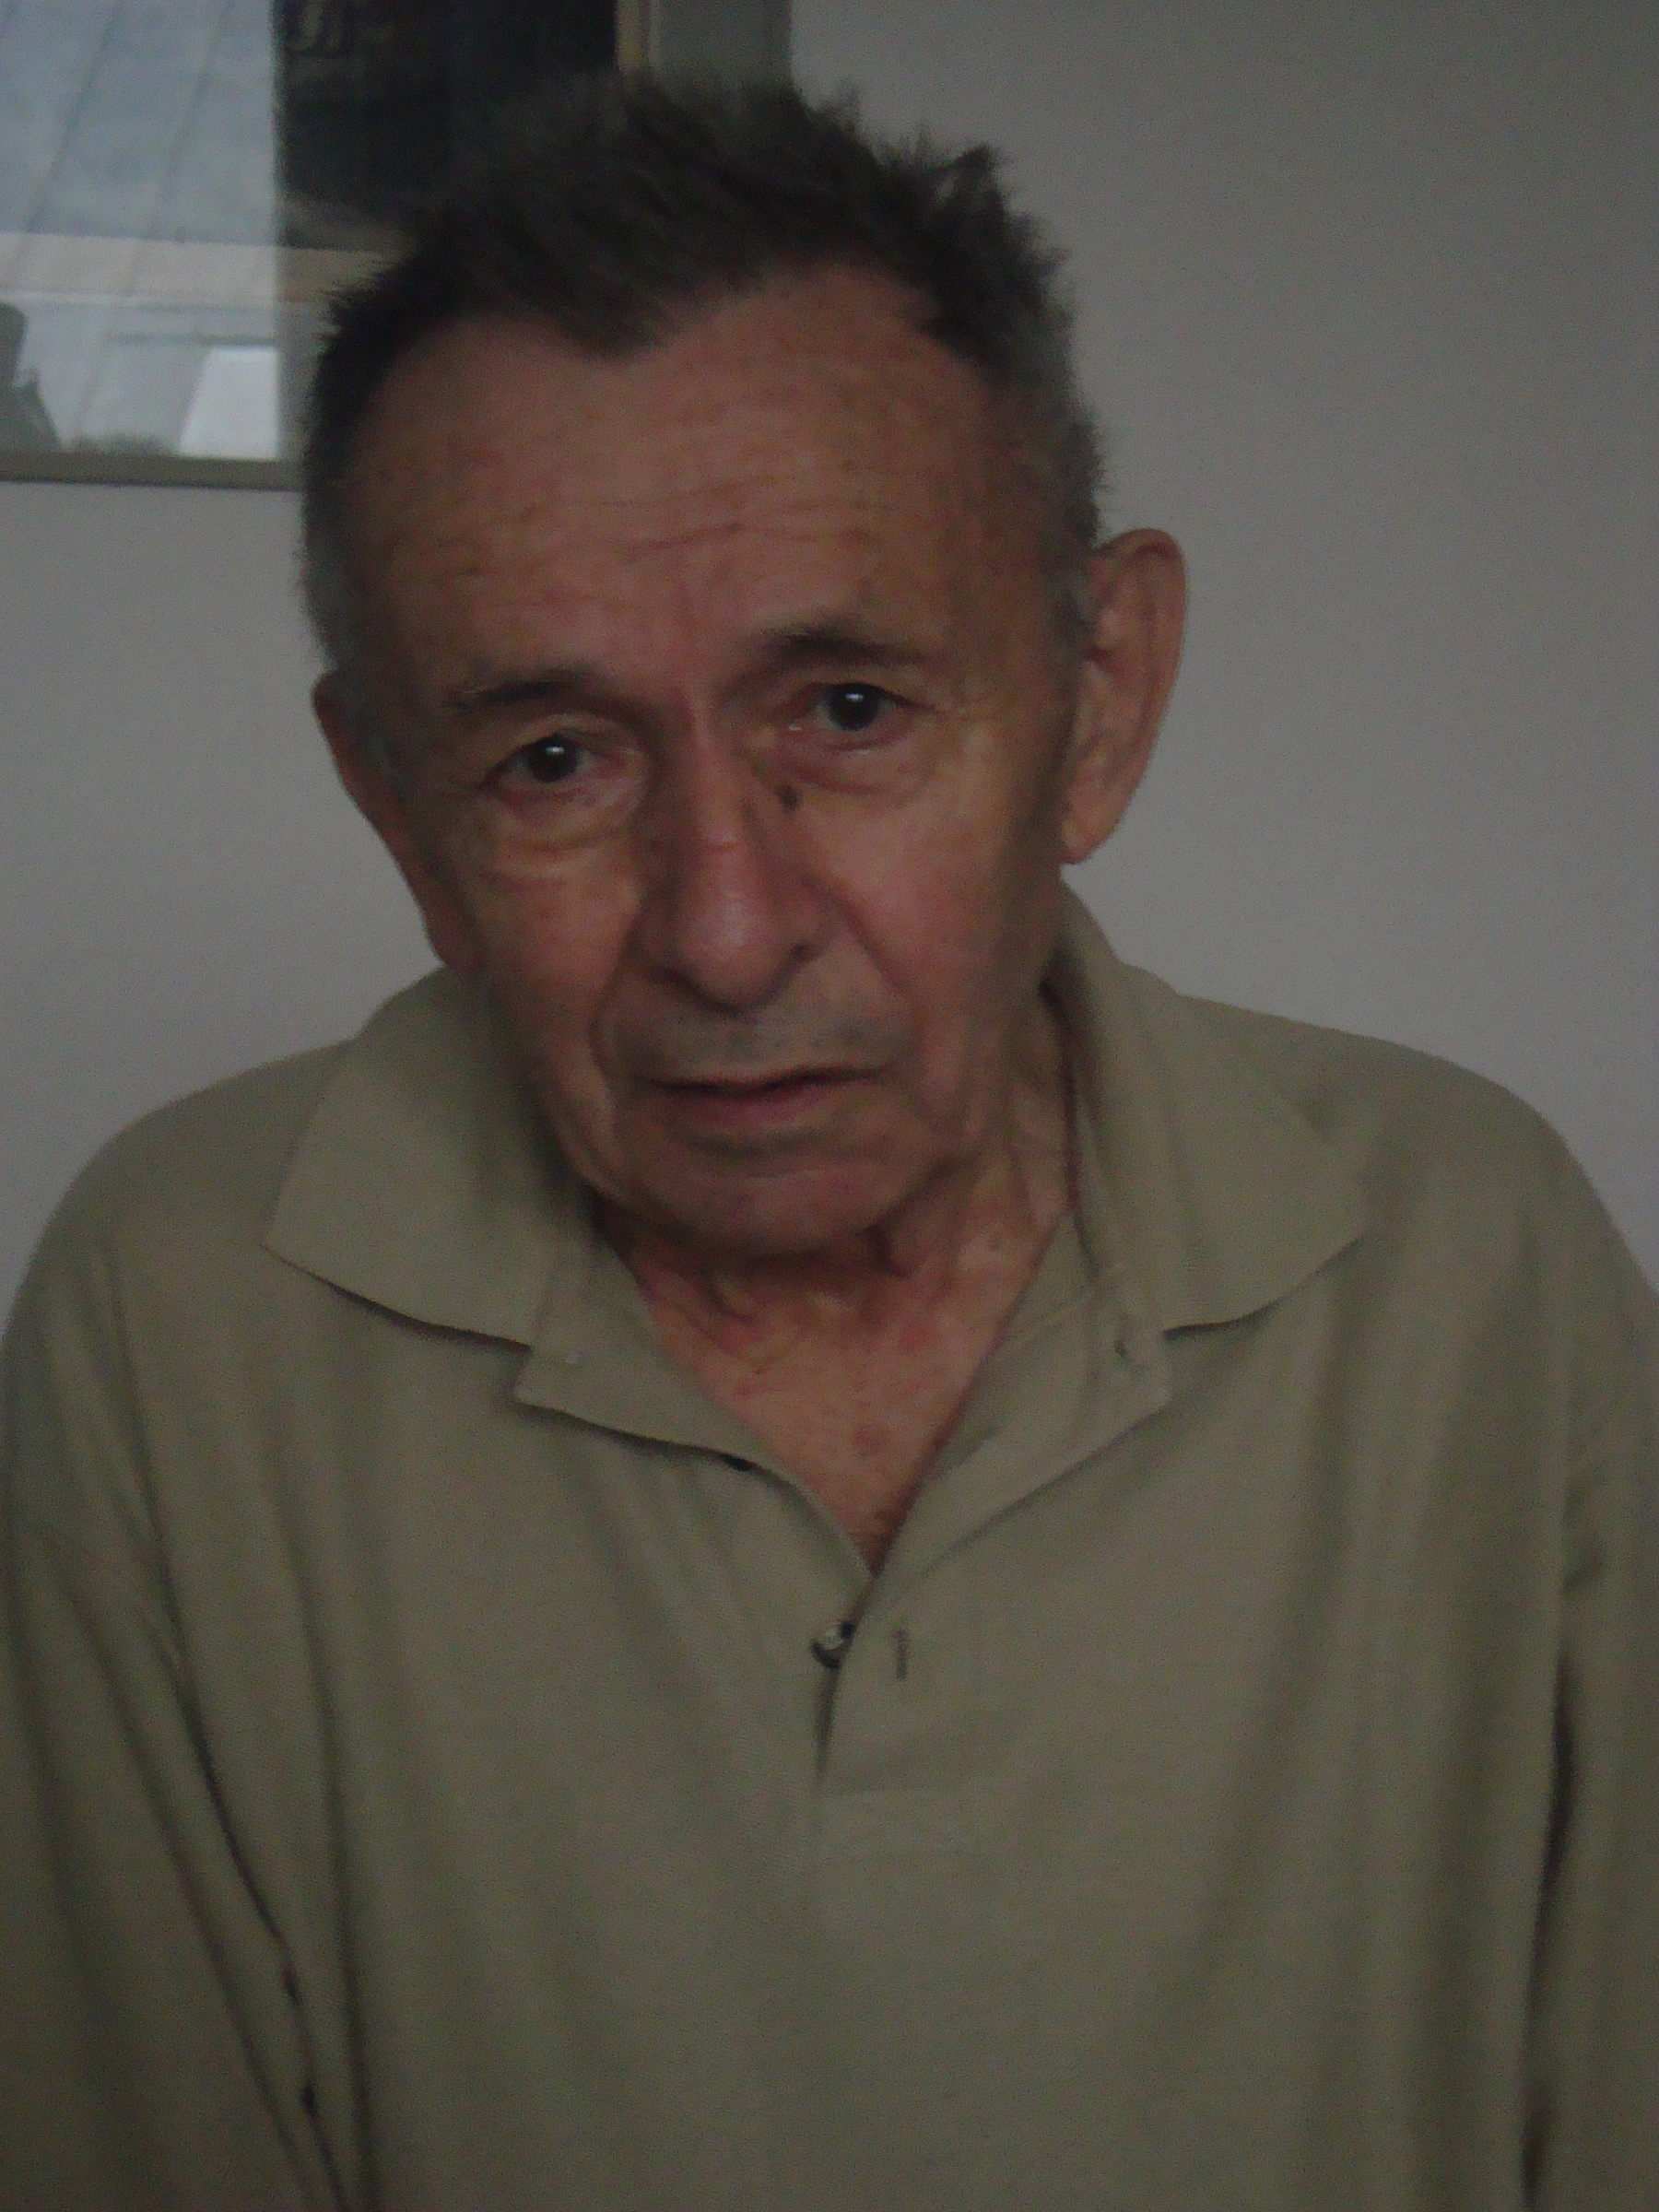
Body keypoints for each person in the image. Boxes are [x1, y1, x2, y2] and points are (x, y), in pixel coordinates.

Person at [2, 76, 1653, 2212]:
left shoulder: (1467, 1265)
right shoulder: (176, 1320)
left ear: (1100, 696)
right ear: (398, 811)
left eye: (851, 712)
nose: (724, 925)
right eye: (556, 760)